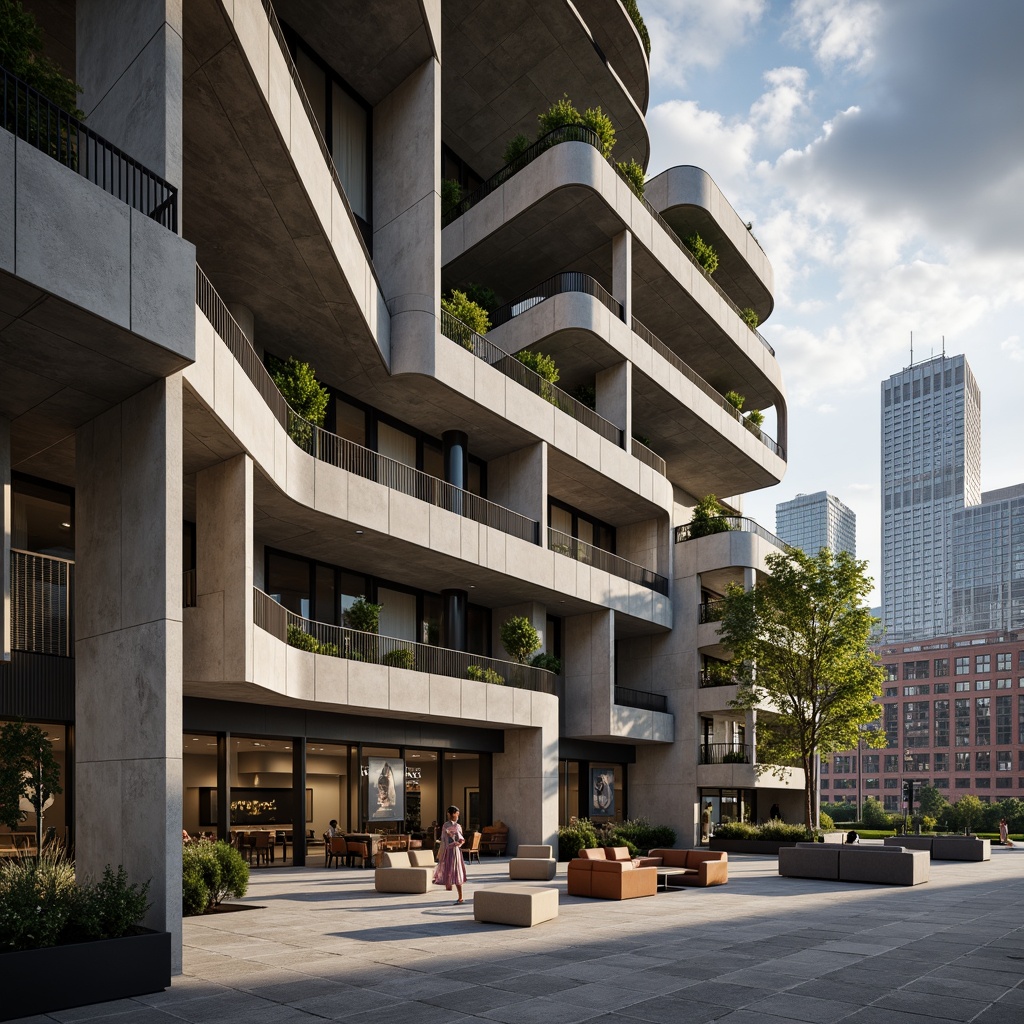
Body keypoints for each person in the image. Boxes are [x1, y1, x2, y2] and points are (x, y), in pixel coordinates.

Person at [433, 805, 467, 903]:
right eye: (457, 813)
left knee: (454, 871)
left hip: (452, 851)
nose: (458, 815)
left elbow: (455, 839)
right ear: (453, 814)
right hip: (452, 851)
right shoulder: (450, 826)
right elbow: (448, 839)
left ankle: (458, 894)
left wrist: (459, 842)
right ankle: (459, 895)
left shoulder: (453, 826)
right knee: (454, 872)